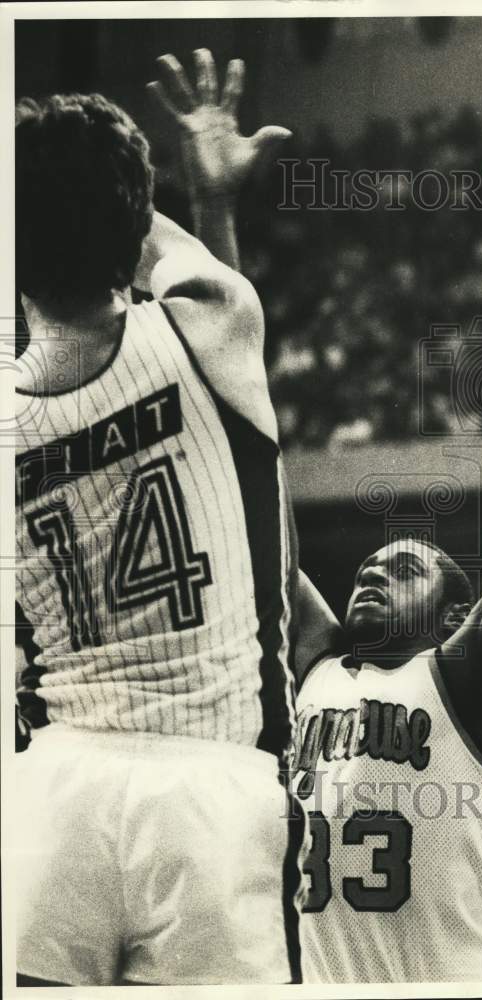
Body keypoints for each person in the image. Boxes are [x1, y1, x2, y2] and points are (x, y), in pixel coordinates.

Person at [288, 23, 482, 982]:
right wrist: (215, 212)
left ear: (457, 614)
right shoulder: (314, 670)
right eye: (369, 562)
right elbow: (247, 487)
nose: (371, 567)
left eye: (404, 562)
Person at [14, 50, 304, 986]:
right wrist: (192, 195)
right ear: (134, 217)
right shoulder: (208, 318)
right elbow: (185, 269)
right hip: (209, 792)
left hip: (54, 792)